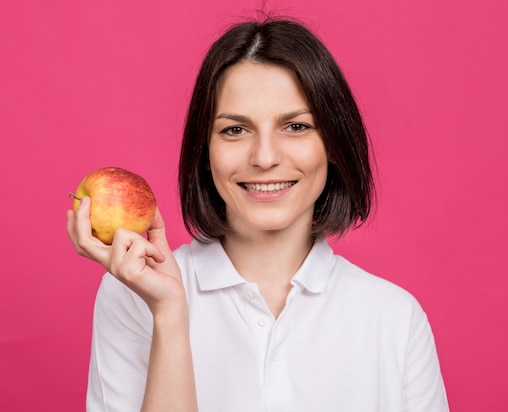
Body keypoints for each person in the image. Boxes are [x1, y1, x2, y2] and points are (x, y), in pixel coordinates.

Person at [67, 17, 449, 412]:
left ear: (333, 144)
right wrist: (168, 314)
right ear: (205, 151)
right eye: (235, 130)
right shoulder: (133, 295)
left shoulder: (395, 318)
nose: (265, 158)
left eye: (296, 126)